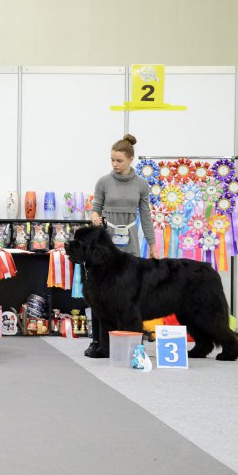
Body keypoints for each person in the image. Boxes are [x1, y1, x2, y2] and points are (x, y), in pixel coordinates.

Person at [85, 133, 158, 358]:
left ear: (130, 160)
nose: (115, 165)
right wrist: (95, 216)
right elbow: (95, 207)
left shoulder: (142, 184)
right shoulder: (103, 182)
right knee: (101, 297)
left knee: (130, 299)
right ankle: (98, 342)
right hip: (106, 250)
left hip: (131, 245)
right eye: (112, 160)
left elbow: (146, 216)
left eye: (119, 161)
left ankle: (131, 342)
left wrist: (153, 245)